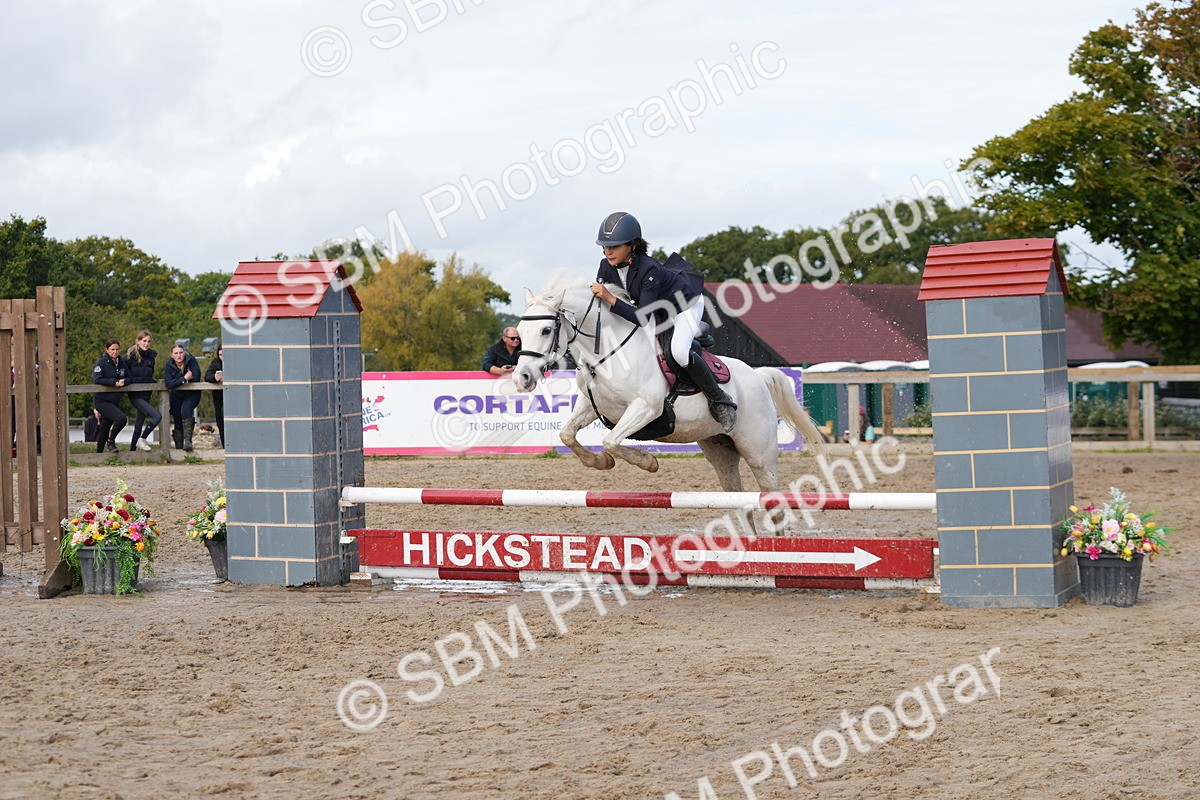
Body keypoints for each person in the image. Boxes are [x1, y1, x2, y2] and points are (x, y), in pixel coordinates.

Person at [588, 211, 737, 432]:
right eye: (605, 246)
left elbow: (640, 317)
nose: (608, 251)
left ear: (632, 245)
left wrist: (608, 297)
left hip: (684, 305)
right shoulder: (605, 266)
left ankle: (719, 399)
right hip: (656, 307)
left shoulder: (649, 269)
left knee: (677, 351)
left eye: (615, 246)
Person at [125, 330, 161, 452]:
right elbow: (127, 376)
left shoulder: (151, 357)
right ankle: (143, 438)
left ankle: (132, 453)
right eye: (144, 341)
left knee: (138, 425)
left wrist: (154, 382)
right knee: (157, 416)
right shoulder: (130, 356)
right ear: (138, 341)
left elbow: (150, 374)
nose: (146, 344)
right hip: (135, 395)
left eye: (148, 341)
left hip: (147, 394)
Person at [91, 338, 129, 454]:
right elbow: (97, 379)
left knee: (105, 428)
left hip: (114, 399)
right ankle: (111, 441)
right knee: (121, 419)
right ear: (107, 350)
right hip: (102, 400)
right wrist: (114, 382)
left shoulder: (121, 362)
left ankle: (99, 455)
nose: (115, 352)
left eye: (117, 349)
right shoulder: (101, 362)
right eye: (112, 349)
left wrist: (124, 381)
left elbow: (130, 377)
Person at [164, 344, 202, 451]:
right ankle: (179, 448)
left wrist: (177, 381)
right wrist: (184, 378)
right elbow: (168, 384)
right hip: (176, 395)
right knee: (177, 418)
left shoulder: (192, 361)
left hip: (192, 393)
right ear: (172, 355)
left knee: (185, 410)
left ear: (184, 353)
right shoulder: (169, 365)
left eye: (180, 352)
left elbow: (196, 377)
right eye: (176, 353)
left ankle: (188, 442)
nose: (179, 355)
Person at [204, 345, 225, 448]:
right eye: (221, 354)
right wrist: (214, 377)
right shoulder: (215, 363)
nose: (222, 357)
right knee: (220, 422)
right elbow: (207, 376)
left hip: (232, 397)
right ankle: (225, 446)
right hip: (219, 397)